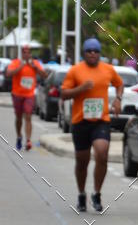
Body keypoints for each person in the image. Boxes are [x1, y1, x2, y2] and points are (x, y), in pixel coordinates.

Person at [60, 38, 124, 213]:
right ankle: (81, 194)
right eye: (89, 51)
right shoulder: (75, 71)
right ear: (84, 53)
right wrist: (81, 89)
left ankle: (96, 193)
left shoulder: (108, 69)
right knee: (82, 162)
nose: (93, 54)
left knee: (102, 153)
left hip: (101, 120)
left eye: (96, 51)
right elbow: (64, 94)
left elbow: (119, 84)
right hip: (80, 121)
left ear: (99, 53)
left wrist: (118, 100)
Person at [5, 45, 48, 151]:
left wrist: (35, 67)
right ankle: (19, 136)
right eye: (24, 52)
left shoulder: (35, 63)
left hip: (29, 95)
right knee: (19, 118)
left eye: (28, 52)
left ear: (31, 54)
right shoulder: (16, 63)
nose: (26, 54)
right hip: (17, 94)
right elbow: (8, 73)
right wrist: (21, 66)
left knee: (28, 116)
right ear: (21, 54)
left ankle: (28, 140)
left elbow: (45, 75)